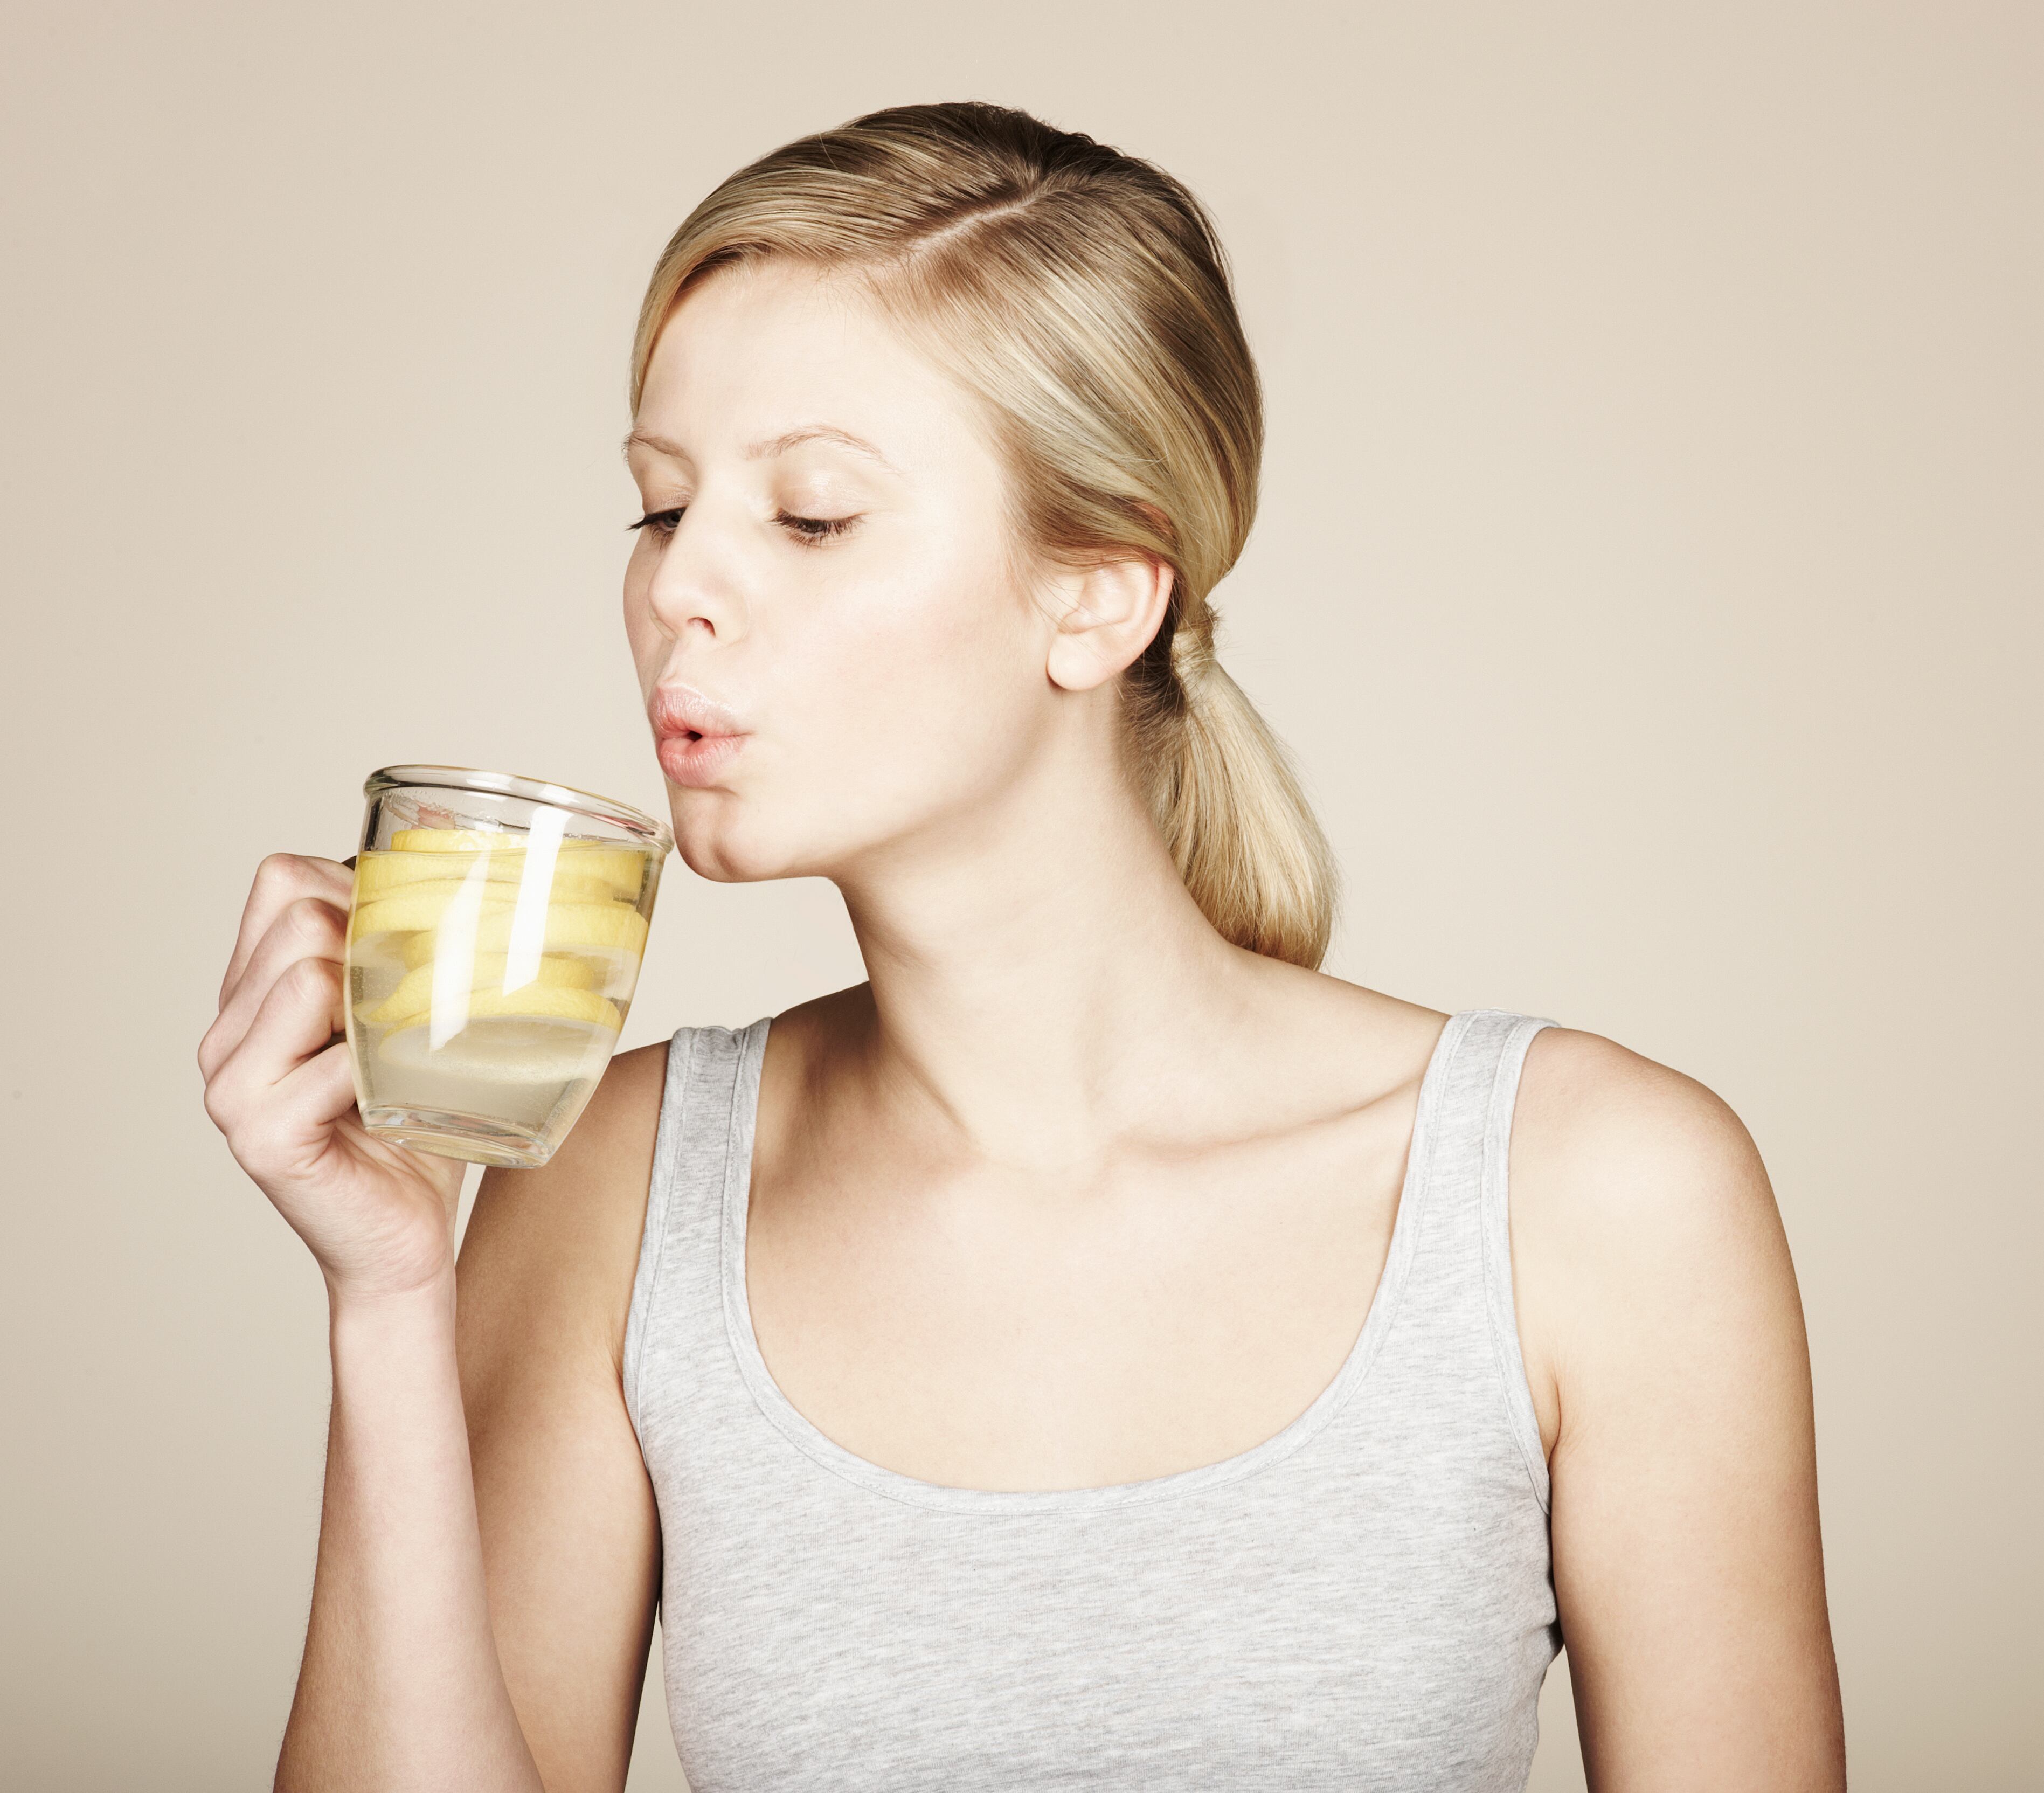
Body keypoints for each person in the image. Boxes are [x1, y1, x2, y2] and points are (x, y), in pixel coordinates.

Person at [197, 101, 1842, 1792]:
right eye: (659, 507)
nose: (680, 587)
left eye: (812, 516)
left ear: (1098, 597)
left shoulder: (1593, 1196)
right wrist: (390, 1295)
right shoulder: (608, 1184)